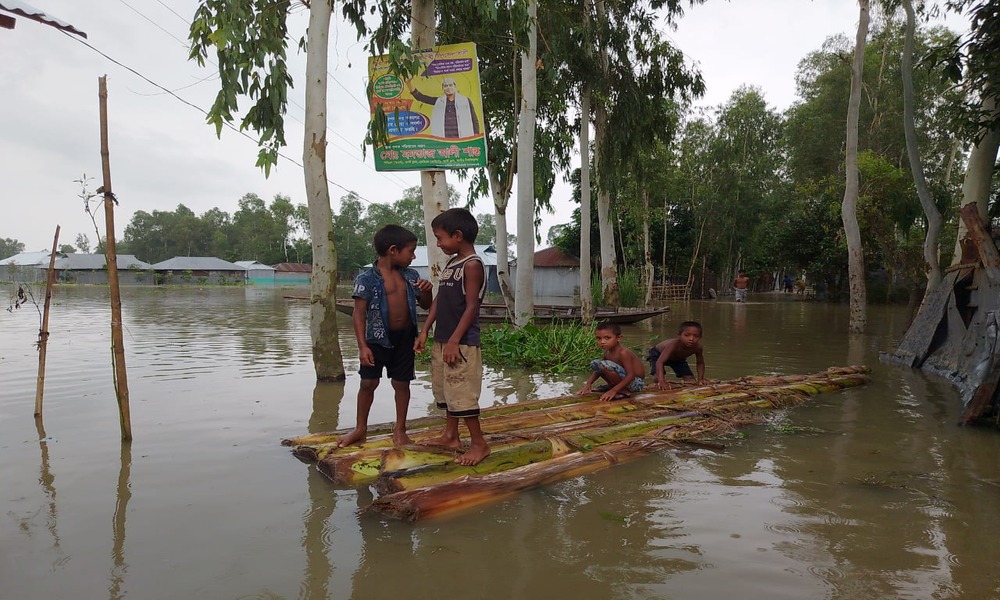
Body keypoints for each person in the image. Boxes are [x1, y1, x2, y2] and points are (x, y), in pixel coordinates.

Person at [337, 225, 433, 448]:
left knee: (402, 384)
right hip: (376, 338)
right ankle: (361, 428)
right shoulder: (367, 278)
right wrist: (362, 347)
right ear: (393, 250)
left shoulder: (411, 276)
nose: (414, 256)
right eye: (411, 251)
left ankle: (400, 429)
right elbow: (359, 314)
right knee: (368, 383)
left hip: (405, 338)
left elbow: (426, 305)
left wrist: (427, 291)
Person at [414, 208, 490, 466]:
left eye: (440, 238)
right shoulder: (451, 263)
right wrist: (425, 330)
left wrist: (455, 340)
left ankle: (479, 444)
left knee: (462, 392)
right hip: (444, 338)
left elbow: (471, 307)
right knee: (446, 391)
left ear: (457, 236)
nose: (438, 243)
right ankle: (450, 436)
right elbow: (439, 300)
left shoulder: (472, 265)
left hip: (462, 341)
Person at [578, 322, 646, 401]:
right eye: (598, 338)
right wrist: (588, 383)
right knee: (595, 363)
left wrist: (614, 391)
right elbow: (599, 370)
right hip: (625, 381)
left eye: (607, 338)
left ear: (619, 338)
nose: (602, 342)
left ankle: (622, 390)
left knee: (606, 364)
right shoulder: (607, 352)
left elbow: (631, 375)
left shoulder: (623, 353)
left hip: (636, 383)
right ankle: (612, 386)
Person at [406, 77, 481, 139]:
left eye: (450, 85)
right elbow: (421, 97)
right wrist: (408, 83)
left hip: (463, 138)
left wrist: (476, 135)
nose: (448, 88)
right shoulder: (439, 101)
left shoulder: (465, 101)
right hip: (444, 140)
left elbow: (474, 120)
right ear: (442, 88)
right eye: (445, 86)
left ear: (455, 86)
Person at [647, 321, 706, 390]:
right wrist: (661, 381)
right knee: (657, 378)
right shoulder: (673, 344)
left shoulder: (698, 348)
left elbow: (700, 363)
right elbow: (660, 362)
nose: (691, 339)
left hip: (678, 359)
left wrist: (700, 379)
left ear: (700, 337)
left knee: (691, 381)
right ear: (679, 335)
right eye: (687, 335)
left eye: (696, 336)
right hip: (658, 355)